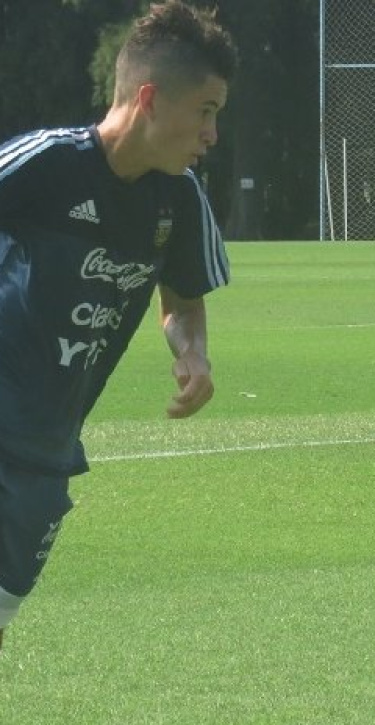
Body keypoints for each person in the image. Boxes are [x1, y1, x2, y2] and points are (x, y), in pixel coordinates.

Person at [0, 1, 237, 649]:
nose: (212, 134)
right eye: (206, 111)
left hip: (46, 457)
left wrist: (193, 353)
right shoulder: (48, 163)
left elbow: (183, 299)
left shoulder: (179, 200)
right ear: (151, 100)